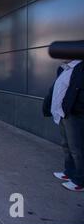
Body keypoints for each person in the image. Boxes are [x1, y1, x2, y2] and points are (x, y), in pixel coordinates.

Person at [43, 59, 84, 192]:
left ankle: (80, 181)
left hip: (73, 114)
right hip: (62, 114)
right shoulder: (63, 69)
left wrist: (75, 109)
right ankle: (69, 172)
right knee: (66, 145)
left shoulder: (81, 68)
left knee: (77, 149)